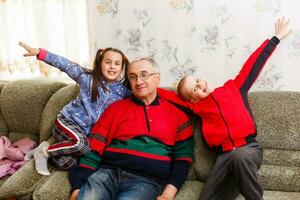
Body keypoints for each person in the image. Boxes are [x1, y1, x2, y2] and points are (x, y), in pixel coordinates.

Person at [157, 17, 292, 200]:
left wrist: (275, 38)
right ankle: (236, 181)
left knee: (239, 157)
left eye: (197, 80)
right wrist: (144, 84)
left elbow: (253, 64)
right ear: (193, 100)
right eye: (194, 89)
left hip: (249, 149)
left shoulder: (234, 88)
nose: (199, 85)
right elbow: (170, 96)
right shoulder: (197, 108)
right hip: (225, 157)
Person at [69, 57, 195, 200]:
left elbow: (183, 159)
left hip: (145, 181)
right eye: (133, 77)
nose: (139, 81)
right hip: (107, 173)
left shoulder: (178, 115)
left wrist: (168, 193)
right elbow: (94, 149)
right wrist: (78, 185)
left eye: (144, 75)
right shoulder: (115, 109)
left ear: (157, 79)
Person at [19, 42, 131, 175]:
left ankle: (45, 147)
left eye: (117, 64)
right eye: (108, 62)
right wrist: (40, 53)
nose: (112, 66)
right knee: (83, 146)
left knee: (68, 164)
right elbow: (65, 65)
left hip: (83, 135)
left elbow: (141, 94)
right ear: (101, 63)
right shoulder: (87, 78)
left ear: (122, 68)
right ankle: (43, 153)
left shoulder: (123, 92)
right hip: (66, 122)